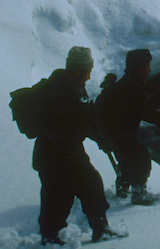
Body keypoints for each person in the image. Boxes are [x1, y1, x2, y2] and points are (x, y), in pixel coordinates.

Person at [33, 46, 125, 244]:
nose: (89, 76)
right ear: (76, 71)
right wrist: (100, 137)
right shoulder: (63, 91)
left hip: (63, 152)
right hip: (57, 154)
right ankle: (50, 237)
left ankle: (99, 229)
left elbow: (84, 119)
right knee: (58, 195)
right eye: (87, 72)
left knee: (89, 185)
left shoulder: (70, 86)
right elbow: (79, 121)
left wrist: (101, 137)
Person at [96, 48, 160, 205]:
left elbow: (143, 106)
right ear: (138, 68)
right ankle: (139, 193)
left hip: (114, 133)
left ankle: (122, 190)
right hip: (117, 134)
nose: (150, 69)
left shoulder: (131, 83)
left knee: (126, 160)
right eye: (147, 65)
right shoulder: (132, 87)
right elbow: (145, 112)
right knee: (141, 158)